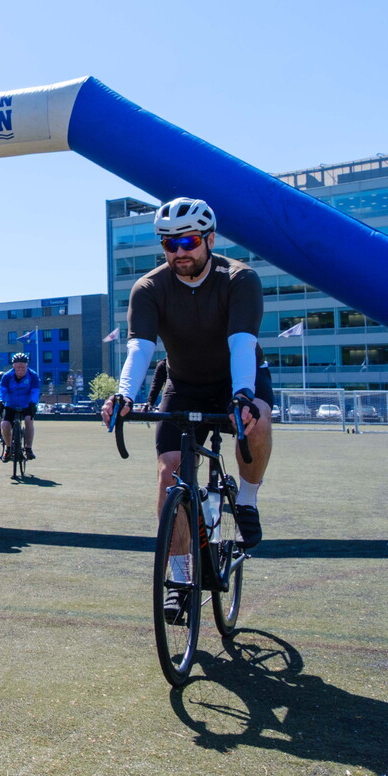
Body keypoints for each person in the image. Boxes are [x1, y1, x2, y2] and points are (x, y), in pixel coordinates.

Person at [100, 197, 272, 620]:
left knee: (259, 422)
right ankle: (179, 579)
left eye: (190, 241)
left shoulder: (239, 279)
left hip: (238, 377)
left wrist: (245, 396)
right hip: (184, 384)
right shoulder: (150, 287)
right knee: (170, 470)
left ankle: (246, 500)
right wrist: (123, 394)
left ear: (209, 239)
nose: (180, 252)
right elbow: (140, 347)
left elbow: (241, 344)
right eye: (170, 244)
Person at [0, 352, 40, 460]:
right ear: (13, 366)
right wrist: (0, 401)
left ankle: (28, 448)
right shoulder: (7, 376)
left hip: (27, 404)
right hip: (11, 404)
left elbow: (35, 391)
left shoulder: (33, 376)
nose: (21, 369)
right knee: (5, 424)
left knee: (29, 420)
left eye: (23, 367)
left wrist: (33, 403)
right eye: (18, 366)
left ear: (27, 366)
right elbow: (1, 390)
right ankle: (8, 448)